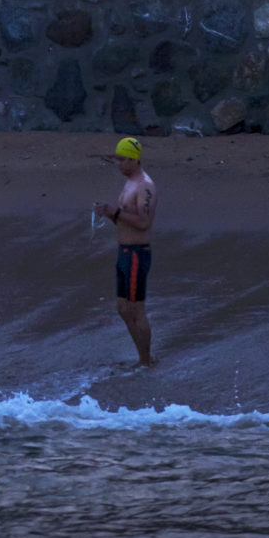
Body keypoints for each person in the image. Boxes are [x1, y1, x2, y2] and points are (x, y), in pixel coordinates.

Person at [95, 137, 157, 366]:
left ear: (134, 159)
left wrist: (116, 212)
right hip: (124, 252)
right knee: (123, 308)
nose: (119, 164)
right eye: (117, 160)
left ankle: (146, 360)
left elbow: (143, 223)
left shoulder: (145, 186)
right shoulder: (129, 183)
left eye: (122, 160)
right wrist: (108, 213)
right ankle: (144, 357)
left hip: (136, 253)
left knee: (136, 309)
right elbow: (123, 222)